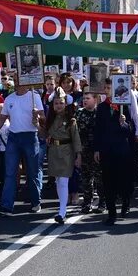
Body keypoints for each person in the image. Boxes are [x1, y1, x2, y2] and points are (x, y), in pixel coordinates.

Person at [0, 73, 46, 215]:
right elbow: (1, 119)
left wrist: (37, 116)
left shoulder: (34, 97)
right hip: (13, 137)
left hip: (30, 137)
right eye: (17, 80)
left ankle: (35, 201)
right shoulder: (9, 99)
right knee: (10, 172)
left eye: (21, 79)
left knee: (32, 171)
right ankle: (7, 205)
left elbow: (44, 118)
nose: (19, 82)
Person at [95, 77, 135, 225]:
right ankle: (112, 213)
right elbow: (98, 129)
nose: (107, 91)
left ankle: (126, 203)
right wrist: (97, 149)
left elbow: (131, 130)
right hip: (107, 150)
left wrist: (123, 124)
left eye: (109, 88)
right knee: (108, 182)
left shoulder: (124, 105)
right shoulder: (101, 107)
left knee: (123, 181)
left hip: (122, 150)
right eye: (105, 88)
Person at [45, 88, 81, 224]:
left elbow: (76, 138)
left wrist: (78, 155)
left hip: (67, 152)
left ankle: (62, 211)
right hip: (54, 152)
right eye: (56, 103)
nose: (58, 105)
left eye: (61, 103)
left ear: (65, 103)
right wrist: (37, 124)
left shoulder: (71, 120)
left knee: (64, 181)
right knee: (58, 181)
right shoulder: (50, 119)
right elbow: (45, 135)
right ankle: (62, 207)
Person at [76, 92, 103, 213]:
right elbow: (75, 134)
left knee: (100, 178)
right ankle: (87, 203)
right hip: (84, 151)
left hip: (97, 151)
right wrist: (78, 154)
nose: (85, 100)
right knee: (86, 179)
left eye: (88, 98)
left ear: (95, 99)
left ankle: (102, 202)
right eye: (84, 98)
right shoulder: (79, 113)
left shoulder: (100, 113)